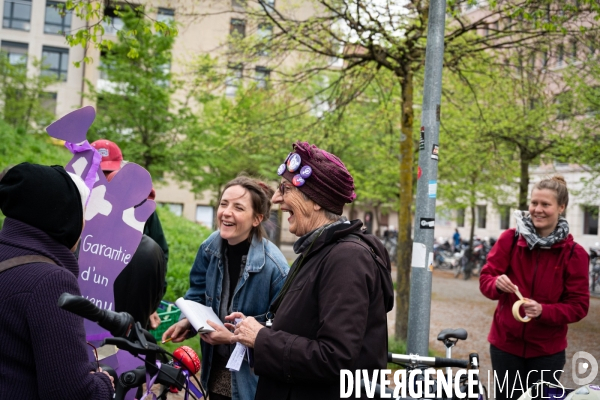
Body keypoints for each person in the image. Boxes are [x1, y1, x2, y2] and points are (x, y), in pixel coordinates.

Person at [229, 141, 394, 400]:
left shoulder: (347, 259)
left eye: (285, 188)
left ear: (316, 201)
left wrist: (262, 338)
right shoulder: (319, 250)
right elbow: (305, 329)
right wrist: (253, 328)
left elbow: (335, 357)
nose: (275, 198)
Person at [162, 176, 289, 400]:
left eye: (238, 207)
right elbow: (197, 294)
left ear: (257, 219)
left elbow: (281, 333)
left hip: (253, 383)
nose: (226, 212)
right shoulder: (209, 248)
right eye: (223, 204)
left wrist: (232, 337)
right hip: (214, 373)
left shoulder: (275, 268)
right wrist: (188, 321)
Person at [0, 163, 114, 399]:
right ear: (62, 216)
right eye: (81, 212)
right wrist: (104, 383)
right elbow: (71, 393)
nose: (84, 225)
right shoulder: (50, 282)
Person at [479, 176, 589, 400]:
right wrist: (496, 284)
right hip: (505, 346)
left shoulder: (574, 254)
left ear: (561, 207)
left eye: (545, 204)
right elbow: (486, 279)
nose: (537, 210)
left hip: (547, 352)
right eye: (534, 203)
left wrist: (543, 311)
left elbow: (578, 306)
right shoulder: (510, 239)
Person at [91, 139, 168, 329]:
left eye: (109, 171)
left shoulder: (143, 205)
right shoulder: (79, 201)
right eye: (98, 171)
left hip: (130, 305)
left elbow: (160, 255)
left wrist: (150, 304)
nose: (104, 177)